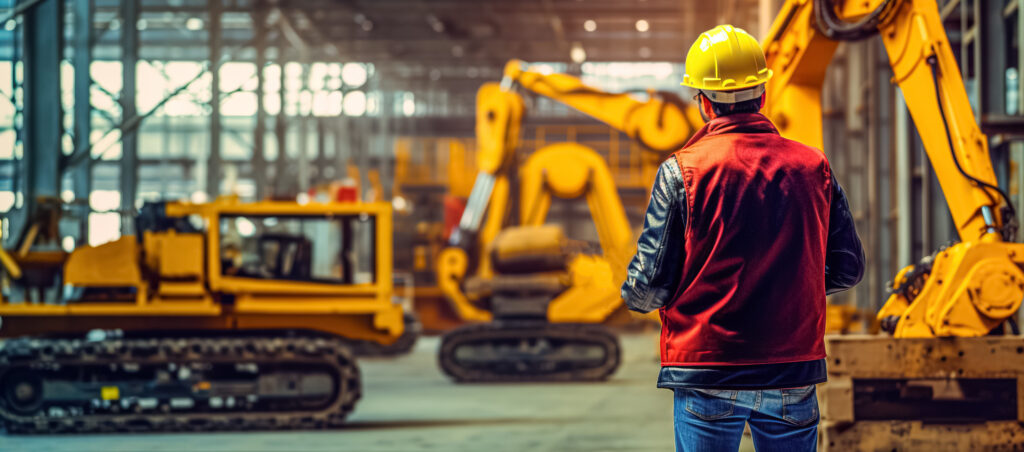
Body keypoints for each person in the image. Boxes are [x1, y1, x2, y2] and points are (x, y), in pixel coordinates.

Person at [621, 25, 865, 452]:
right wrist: (791, 286)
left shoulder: (681, 172)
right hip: (792, 369)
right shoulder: (814, 169)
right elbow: (847, 268)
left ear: (703, 102)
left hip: (707, 368)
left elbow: (646, 287)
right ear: (763, 95)